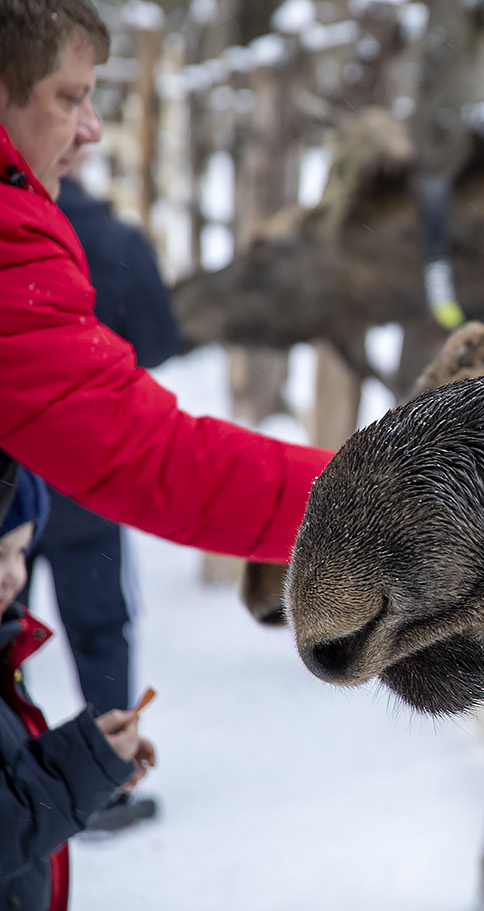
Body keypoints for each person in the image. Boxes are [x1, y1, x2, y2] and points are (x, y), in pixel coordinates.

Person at [0, 0, 332, 565]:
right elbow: (147, 456)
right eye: (69, 97)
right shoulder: (18, 241)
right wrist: (380, 499)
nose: (93, 130)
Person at [16, 168, 182, 831]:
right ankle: (108, 783)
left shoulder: (16, 246)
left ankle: (16, 780)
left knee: (7, 643)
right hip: (90, 481)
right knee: (101, 631)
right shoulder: (116, 238)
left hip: (13, 492)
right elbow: (165, 340)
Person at [0, 463, 156, 911]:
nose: (16, 571)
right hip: (82, 486)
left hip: (27, 485)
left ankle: (102, 766)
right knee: (94, 630)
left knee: (13, 636)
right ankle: (108, 788)